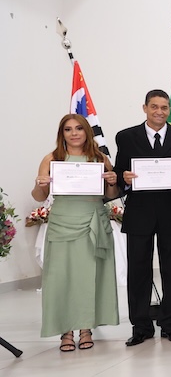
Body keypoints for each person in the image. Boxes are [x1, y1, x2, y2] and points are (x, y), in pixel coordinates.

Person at [32, 114, 120, 352]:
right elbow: (39, 197)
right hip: (62, 223)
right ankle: (66, 331)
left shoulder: (99, 158)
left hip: (92, 222)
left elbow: (110, 195)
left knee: (89, 277)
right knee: (62, 278)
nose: (74, 133)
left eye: (79, 128)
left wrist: (112, 182)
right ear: (62, 134)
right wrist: (41, 185)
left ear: (87, 132)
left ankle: (86, 328)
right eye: (68, 129)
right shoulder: (52, 159)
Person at [114, 89, 171, 346]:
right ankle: (141, 326)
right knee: (138, 271)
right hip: (139, 213)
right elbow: (119, 172)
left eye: (164, 107)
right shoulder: (126, 137)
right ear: (145, 108)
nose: (159, 111)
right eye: (154, 106)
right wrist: (125, 178)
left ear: (169, 109)